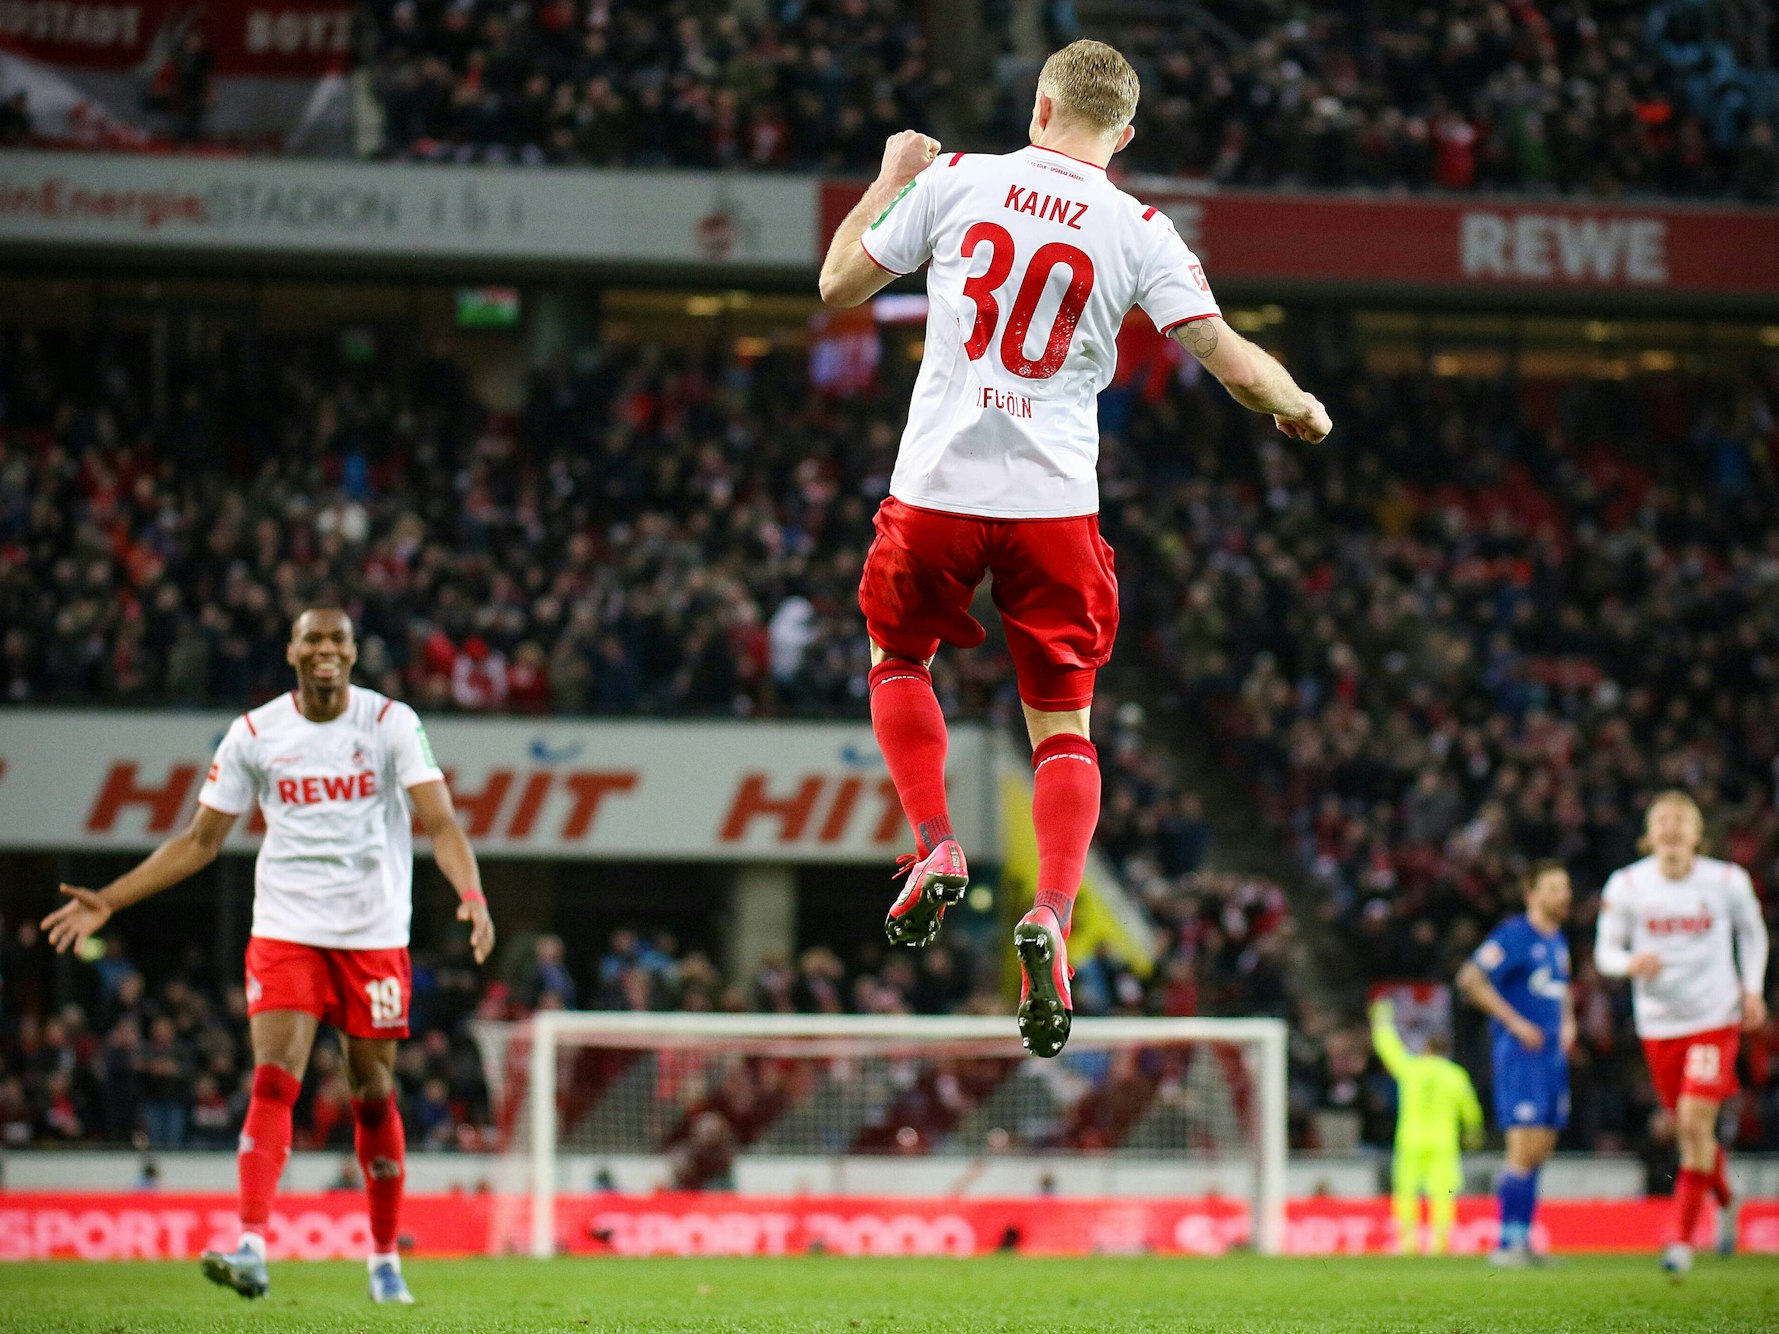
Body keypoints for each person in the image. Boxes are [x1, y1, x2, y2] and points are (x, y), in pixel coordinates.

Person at [817, 39, 1330, 1058]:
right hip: (1054, 504)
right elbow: (1229, 359)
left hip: (937, 492)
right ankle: (1050, 910)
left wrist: (891, 177)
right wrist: (1302, 408)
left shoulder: (960, 181)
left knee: (900, 658)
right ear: (1124, 137)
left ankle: (936, 844)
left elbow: (838, 286)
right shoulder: (1138, 228)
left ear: (1041, 106)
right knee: (1063, 726)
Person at [43, 608, 495, 1303]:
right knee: (274, 1079)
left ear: (352, 652)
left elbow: (439, 821)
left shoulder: (391, 724)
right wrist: (111, 898)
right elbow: (198, 842)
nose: (324, 650)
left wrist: (470, 891)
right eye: (311, 638)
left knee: (372, 1093)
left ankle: (383, 1260)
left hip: (373, 935)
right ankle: (251, 1245)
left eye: (336, 640)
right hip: (286, 929)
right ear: (291, 651)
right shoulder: (255, 734)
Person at [1593, 790, 1769, 1273]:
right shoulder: (1627, 885)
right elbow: (1604, 953)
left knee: (1693, 1124)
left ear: (1697, 834)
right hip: (1659, 1026)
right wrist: (1631, 962)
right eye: (1662, 820)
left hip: (1715, 1018)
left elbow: (1753, 933)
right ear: (1648, 836)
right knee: (1692, 1133)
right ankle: (1725, 1195)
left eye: (1681, 820)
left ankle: (1681, 1242)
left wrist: (1751, 990)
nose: (1671, 827)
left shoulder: (1727, 880)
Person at [1456, 859, 1574, 1266]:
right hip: (1520, 1056)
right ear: (1532, 895)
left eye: (1566, 888)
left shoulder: (1558, 940)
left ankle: (1524, 1239)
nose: (1565, 895)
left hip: (1552, 1056)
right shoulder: (1514, 935)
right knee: (1522, 1147)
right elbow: (1470, 978)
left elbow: (1563, 989)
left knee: (1541, 1147)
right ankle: (1506, 1243)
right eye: (1555, 888)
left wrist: (1569, 1024)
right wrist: (1515, 1023)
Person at [1369, 999, 1484, 1256]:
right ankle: (1439, 1243)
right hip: (1443, 1141)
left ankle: (1407, 1243)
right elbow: (1471, 1109)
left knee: (1406, 1191)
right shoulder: (1455, 1075)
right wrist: (1473, 1134)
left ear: (1426, 1048)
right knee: (1442, 1193)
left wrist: (1381, 1020)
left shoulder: (1412, 1067)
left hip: (1411, 1139)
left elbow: (1387, 1047)